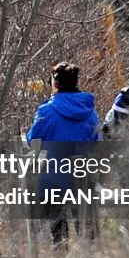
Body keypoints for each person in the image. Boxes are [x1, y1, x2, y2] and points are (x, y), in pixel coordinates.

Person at [25, 61, 100, 245]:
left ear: (55, 84)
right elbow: (96, 141)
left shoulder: (47, 111)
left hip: (55, 179)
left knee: (58, 231)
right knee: (88, 232)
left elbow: (33, 139)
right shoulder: (90, 111)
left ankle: (60, 256)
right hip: (84, 177)